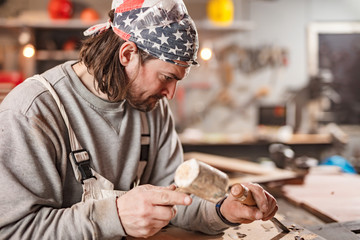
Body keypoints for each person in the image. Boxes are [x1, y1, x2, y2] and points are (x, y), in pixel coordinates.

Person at [0, 0, 278, 239]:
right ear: (128, 54)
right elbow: (13, 231)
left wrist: (222, 210)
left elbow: (177, 199)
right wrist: (115, 215)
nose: (170, 94)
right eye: (167, 77)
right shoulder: (32, 112)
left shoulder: (150, 109)